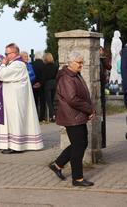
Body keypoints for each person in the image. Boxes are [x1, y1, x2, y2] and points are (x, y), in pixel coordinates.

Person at [49, 50, 95, 187]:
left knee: (80, 144)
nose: (81, 65)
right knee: (79, 145)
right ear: (70, 63)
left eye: (82, 62)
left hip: (77, 115)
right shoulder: (66, 77)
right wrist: (89, 109)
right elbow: (72, 99)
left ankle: (57, 165)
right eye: (79, 62)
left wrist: (88, 110)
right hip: (71, 116)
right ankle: (77, 178)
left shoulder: (74, 75)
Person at [0, 44, 44, 154]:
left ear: (13, 53)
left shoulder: (17, 64)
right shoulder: (16, 64)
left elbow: (1, 75)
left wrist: (3, 65)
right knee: (13, 121)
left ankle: (17, 147)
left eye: (7, 54)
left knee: (15, 120)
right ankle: (13, 145)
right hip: (13, 98)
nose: (5, 56)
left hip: (15, 99)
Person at [42, 52, 58, 122]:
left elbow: (44, 78)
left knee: (49, 102)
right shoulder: (55, 66)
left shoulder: (45, 67)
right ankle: (54, 115)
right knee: (53, 100)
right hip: (54, 83)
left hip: (47, 84)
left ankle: (53, 115)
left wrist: (41, 84)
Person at [32, 52, 46, 121]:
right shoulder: (44, 65)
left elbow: (31, 75)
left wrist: (34, 83)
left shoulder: (32, 64)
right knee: (42, 101)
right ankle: (42, 117)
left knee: (35, 102)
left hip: (33, 85)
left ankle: (35, 117)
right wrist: (40, 83)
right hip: (42, 86)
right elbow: (44, 76)